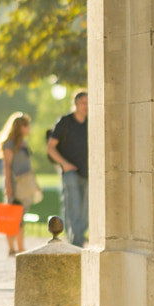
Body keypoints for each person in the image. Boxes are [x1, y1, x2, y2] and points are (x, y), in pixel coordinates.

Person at [0, 112, 40, 258]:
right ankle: (14, 248)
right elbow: (7, 166)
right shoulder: (9, 144)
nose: (29, 129)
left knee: (21, 216)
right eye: (27, 126)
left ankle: (20, 247)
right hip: (15, 184)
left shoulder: (23, 144)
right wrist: (8, 186)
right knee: (13, 216)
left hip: (25, 185)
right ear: (20, 127)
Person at [48, 89, 89, 246]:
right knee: (73, 208)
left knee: (86, 212)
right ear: (76, 104)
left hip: (88, 173)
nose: (86, 106)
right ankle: (76, 244)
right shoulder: (65, 122)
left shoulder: (91, 123)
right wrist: (64, 164)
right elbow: (50, 147)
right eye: (83, 103)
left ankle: (76, 241)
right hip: (70, 173)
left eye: (88, 103)